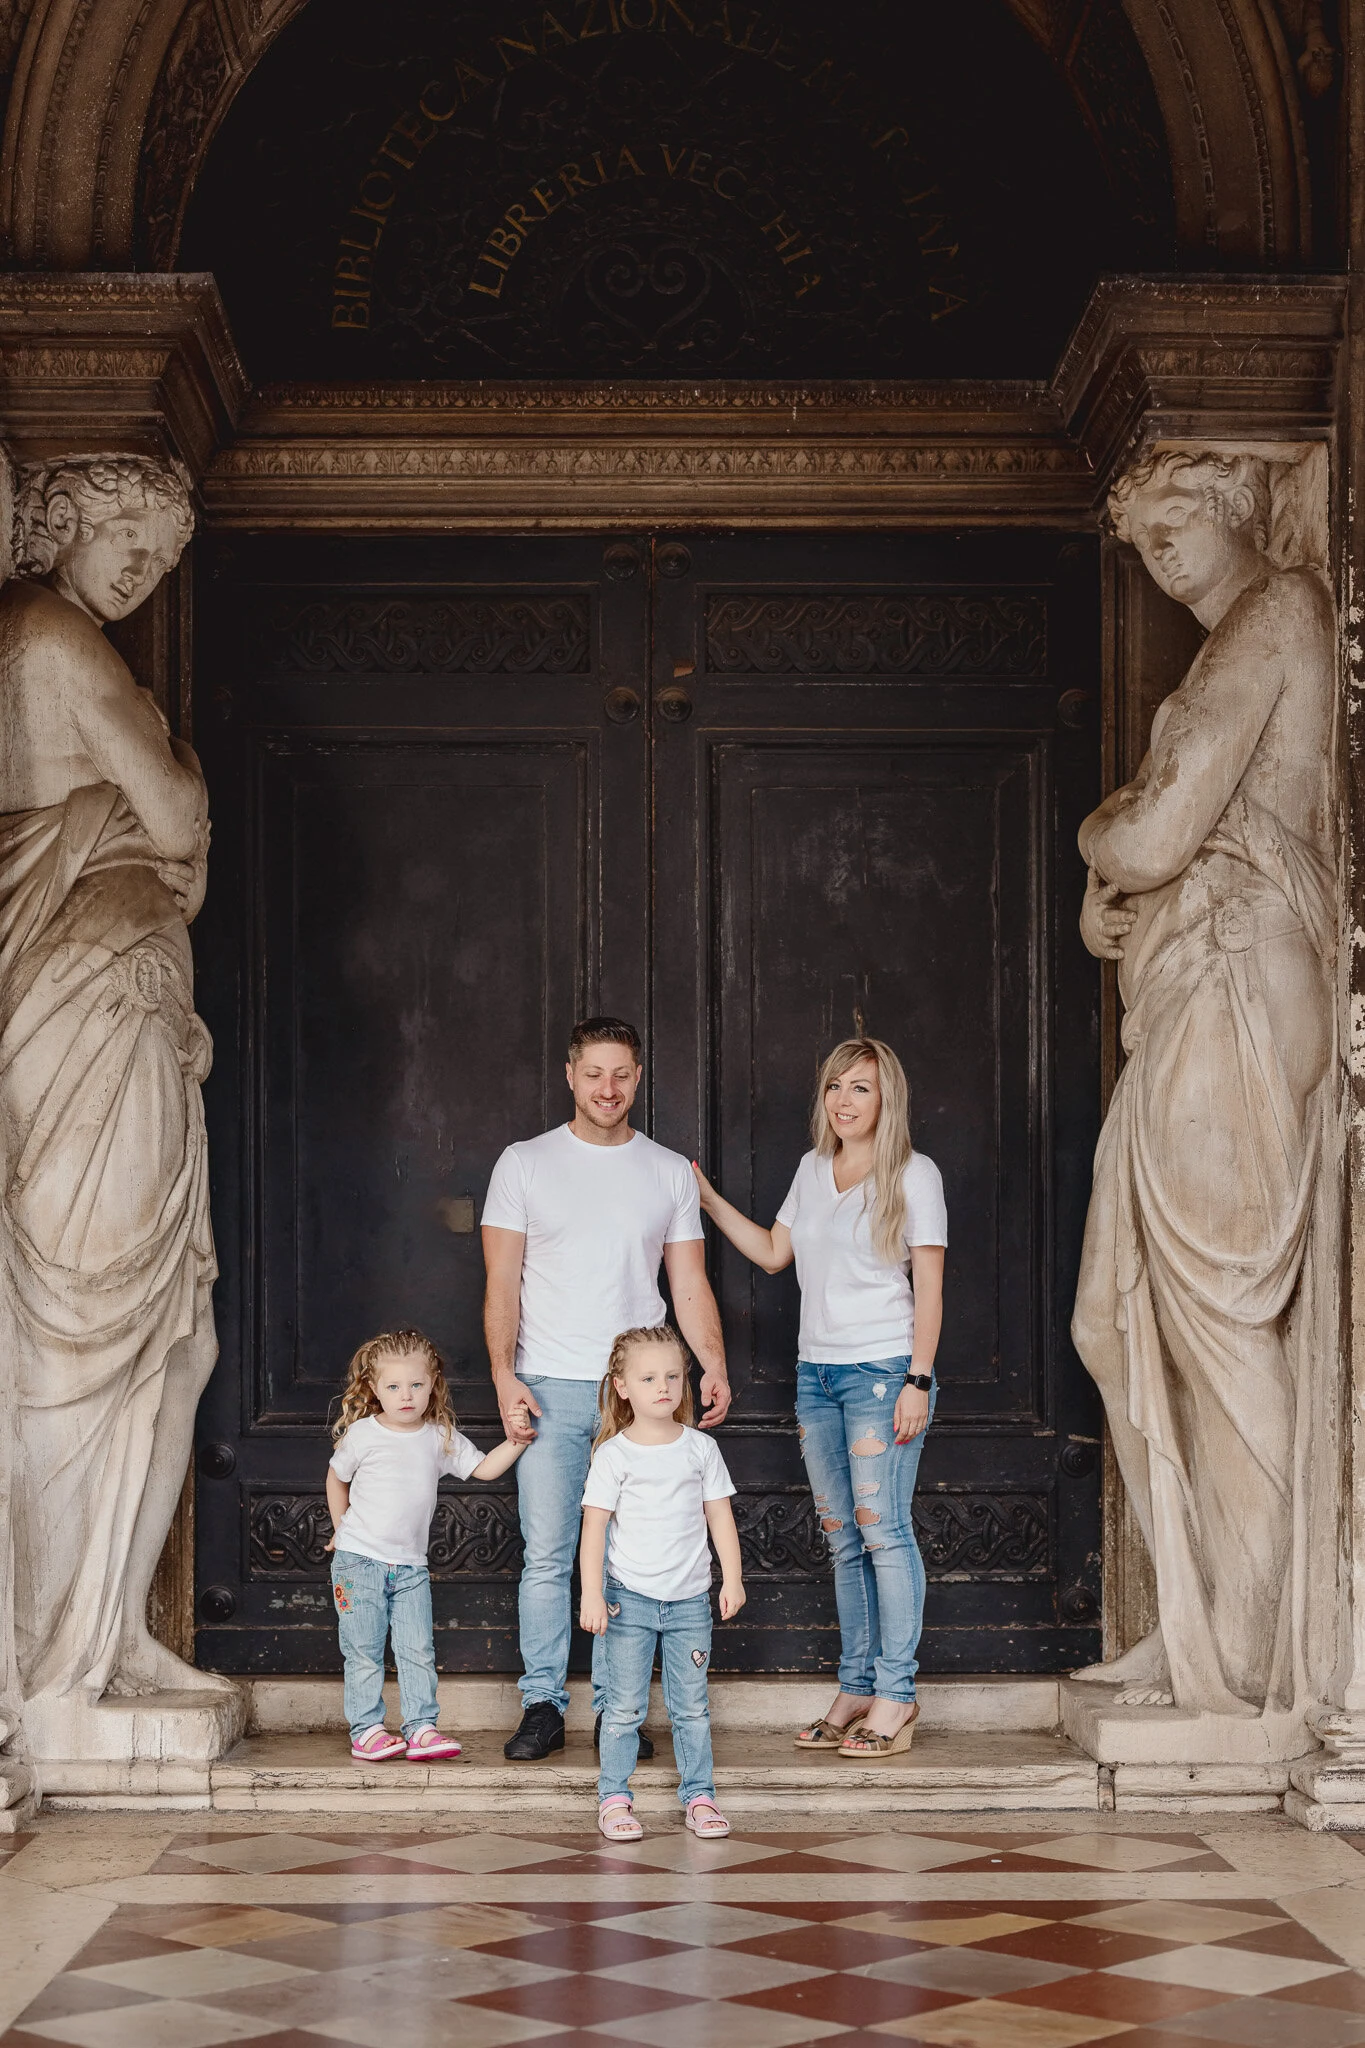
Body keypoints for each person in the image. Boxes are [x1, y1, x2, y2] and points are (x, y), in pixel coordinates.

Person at [1071, 449, 1334, 1715]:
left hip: (1234, 978)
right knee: (1112, 1320)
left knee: (1222, 1316)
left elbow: (1157, 832)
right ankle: (1191, 1613)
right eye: (1143, 542)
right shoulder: (1231, 634)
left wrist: (1094, 838)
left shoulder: (1276, 610)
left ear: (1234, 502)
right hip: (1197, 980)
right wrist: (1109, 896)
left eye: (1175, 525)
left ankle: (1240, 1643)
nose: (1159, 555)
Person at [0, 454, 222, 1707]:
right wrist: (170, 769)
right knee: (96, 1327)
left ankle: (111, 1629)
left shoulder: (64, 638)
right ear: (61, 521)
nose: (142, 570)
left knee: (173, 1338)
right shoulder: (50, 636)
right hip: (82, 1010)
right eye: (126, 539)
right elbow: (179, 812)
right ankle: (57, 1646)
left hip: (120, 1002)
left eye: (162, 557)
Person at [482, 1016, 731, 1761]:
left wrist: (711, 1363)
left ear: (638, 1075)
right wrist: (503, 1374)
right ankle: (542, 1706)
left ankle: (618, 1713)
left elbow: (688, 1282)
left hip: (643, 1393)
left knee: (636, 1555)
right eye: (594, 1073)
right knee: (549, 1555)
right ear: (570, 1075)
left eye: (621, 1073)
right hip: (551, 1384)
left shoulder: (665, 1171)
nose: (608, 1088)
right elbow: (501, 1282)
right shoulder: (524, 1163)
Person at [694, 1037, 946, 1757]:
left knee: (882, 1530)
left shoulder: (912, 1174)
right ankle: (855, 1684)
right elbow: (776, 1254)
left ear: (884, 1098)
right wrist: (707, 1198)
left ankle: (896, 1695)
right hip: (817, 1377)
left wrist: (917, 1379)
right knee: (843, 1541)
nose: (843, 1100)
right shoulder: (812, 1169)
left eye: (860, 1088)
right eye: (836, 1085)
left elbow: (928, 1284)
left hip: (883, 1373)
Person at [326, 1327, 525, 1762]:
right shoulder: (363, 1434)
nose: (406, 1395)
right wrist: (340, 1528)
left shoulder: (438, 1436)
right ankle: (367, 1730)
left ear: (432, 1384)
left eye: (416, 1385)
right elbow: (336, 1478)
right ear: (374, 1389)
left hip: (410, 1568)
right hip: (358, 1563)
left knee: (417, 1648)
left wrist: (516, 1442)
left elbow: (484, 1469)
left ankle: (422, 1728)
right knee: (362, 1650)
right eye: (394, 1386)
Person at [579, 1324, 743, 1839]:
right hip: (629, 1601)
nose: (664, 1386)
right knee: (623, 1706)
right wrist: (592, 1593)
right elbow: (594, 1530)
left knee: (691, 1706)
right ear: (623, 1386)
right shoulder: (613, 1455)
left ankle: (699, 1796)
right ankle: (614, 1797)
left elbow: (720, 1518)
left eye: (673, 1375)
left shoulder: (700, 1449)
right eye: (649, 1377)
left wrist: (731, 1578)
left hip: (690, 1601)